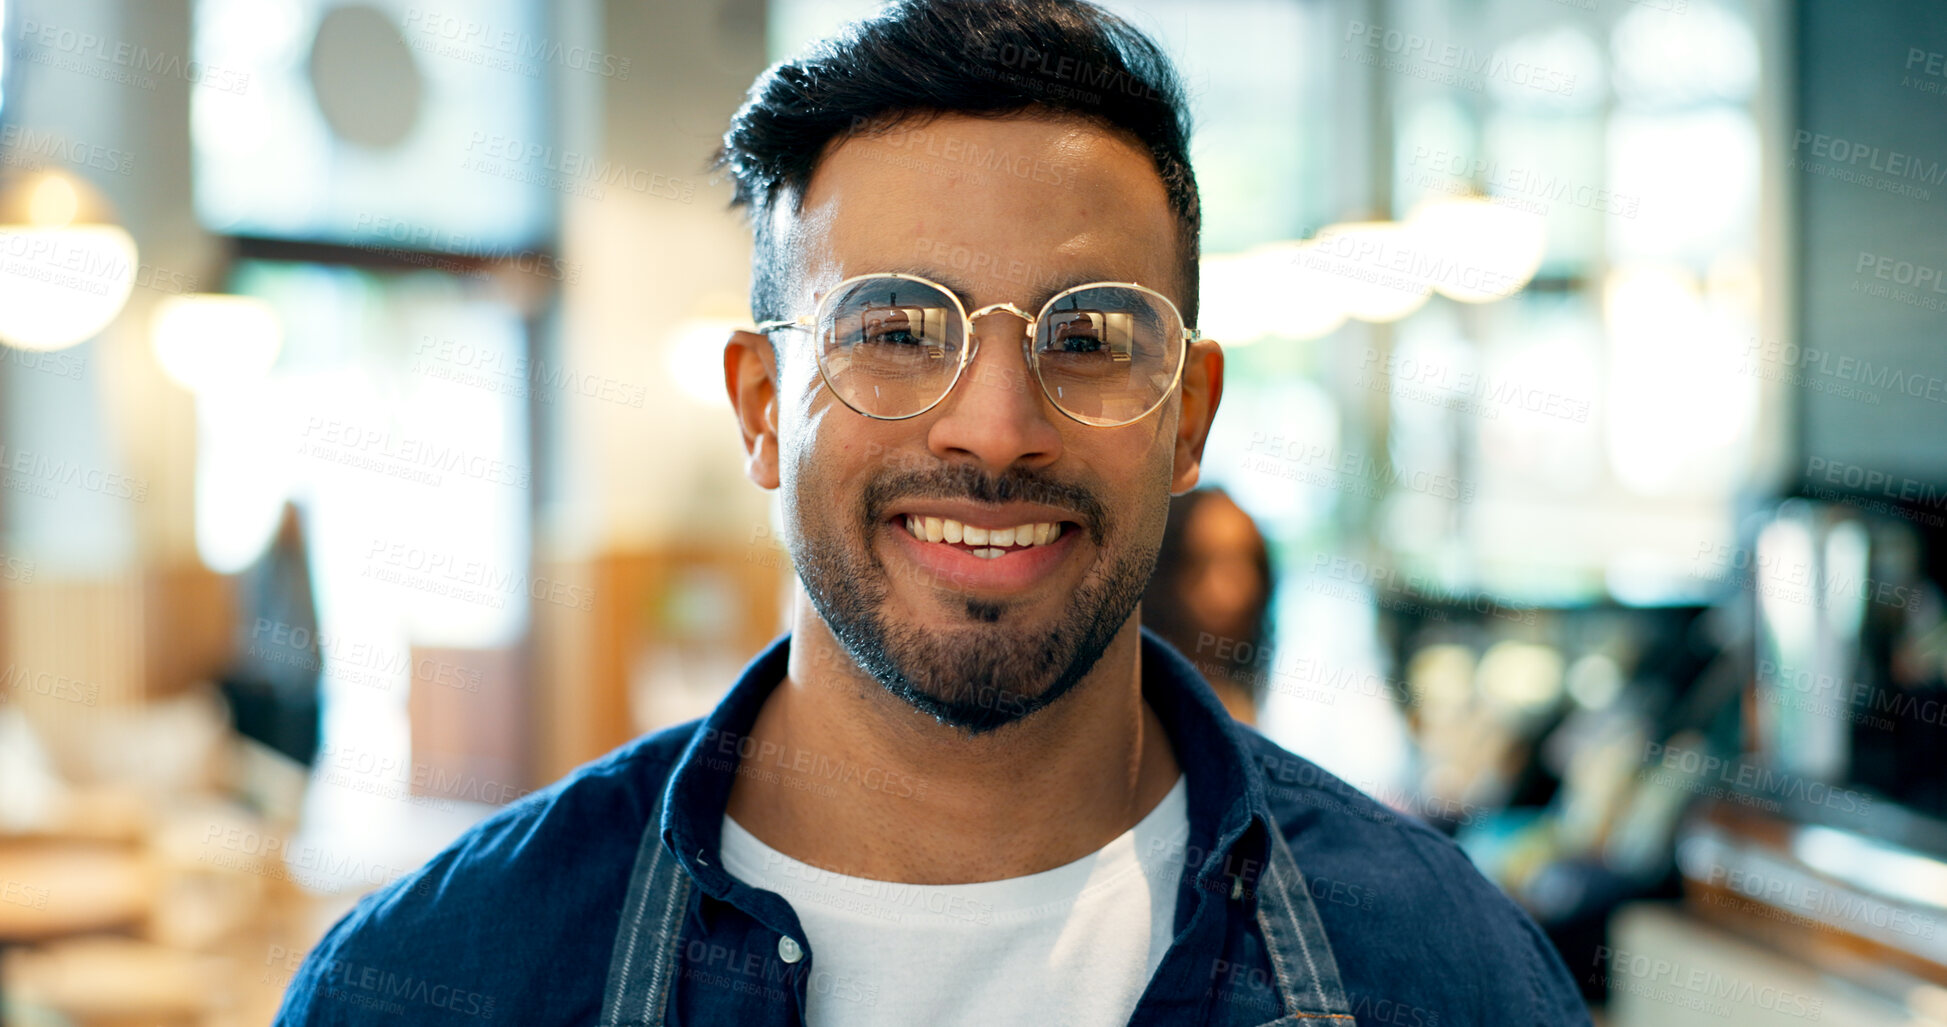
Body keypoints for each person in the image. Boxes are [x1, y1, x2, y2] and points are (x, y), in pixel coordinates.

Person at [275, 2, 1589, 1024]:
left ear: (1187, 414)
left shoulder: (1442, 973)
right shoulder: (440, 976)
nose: (995, 424)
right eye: (895, 329)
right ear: (758, 407)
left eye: (1089, 335)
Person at [1142, 488, 1276, 724]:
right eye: (1206, 563)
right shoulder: (1142, 707)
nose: (1236, 587)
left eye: (1247, 561)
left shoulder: (1239, 701)